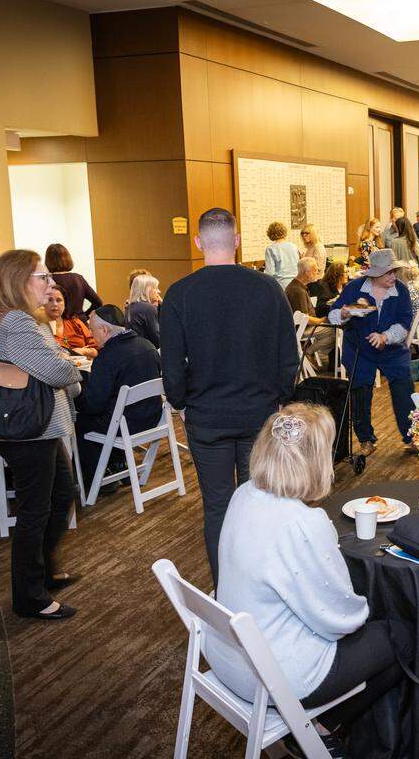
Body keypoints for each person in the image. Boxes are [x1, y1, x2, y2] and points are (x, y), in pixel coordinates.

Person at [207, 405, 411, 744]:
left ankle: (331, 728)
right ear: (315, 461)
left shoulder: (243, 493)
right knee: (403, 634)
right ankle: (321, 730)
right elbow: (341, 619)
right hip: (275, 679)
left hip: (226, 656)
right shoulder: (301, 523)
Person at [161, 208, 299, 584]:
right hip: (259, 413)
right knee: (260, 502)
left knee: (219, 506)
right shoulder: (268, 288)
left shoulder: (179, 294)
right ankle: (262, 585)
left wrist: (181, 403)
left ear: (198, 242)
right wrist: (282, 400)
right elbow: (288, 355)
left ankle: (228, 590)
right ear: (237, 241)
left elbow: (171, 367)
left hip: (206, 417)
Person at [0, 250, 82, 620]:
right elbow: (58, 373)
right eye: (43, 278)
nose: (51, 284)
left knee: (60, 494)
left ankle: (45, 572)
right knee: (36, 510)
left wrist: (58, 359)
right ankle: (30, 597)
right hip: (30, 431)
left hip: (27, 428)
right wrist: (68, 363)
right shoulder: (18, 323)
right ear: (19, 280)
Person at [329, 250, 416, 455]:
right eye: (389, 273)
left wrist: (385, 336)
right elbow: (333, 315)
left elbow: (404, 323)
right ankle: (366, 439)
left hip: (392, 350)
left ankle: (413, 436)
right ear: (374, 274)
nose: (394, 276)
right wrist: (344, 312)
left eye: (394, 271)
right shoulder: (354, 288)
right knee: (360, 391)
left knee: (404, 389)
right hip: (359, 349)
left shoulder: (401, 291)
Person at [74, 305, 162, 488]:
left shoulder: (107, 357)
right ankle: (119, 465)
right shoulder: (147, 346)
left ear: (105, 330)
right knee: (112, 413)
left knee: (78, 420)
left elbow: (93, 404)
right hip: (152, 419)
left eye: (91, 329)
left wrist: (76, 396)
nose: (91, 335)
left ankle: (99, 480)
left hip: (124, 426)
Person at [286, 257, 336, 367]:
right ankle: (307, 352)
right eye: (315, 270)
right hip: (299, 329)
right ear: (307, 272)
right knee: (335, 332)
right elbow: (304, 319)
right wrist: (321, 320)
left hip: (301, 326)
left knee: (333, 328)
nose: (317, 273)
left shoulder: (296, 286)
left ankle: (309, 353)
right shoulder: (297, 291)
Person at [46, 243, 102, 320]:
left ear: (48, 260)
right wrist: (84, 316)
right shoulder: (79, 278)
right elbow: (98, 302)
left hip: (59, 327)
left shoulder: (47, 280)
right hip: (80, 326)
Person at [45, 285, 97, 358]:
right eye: (50, 300)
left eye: (58, 300)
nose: (55, 304)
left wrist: (84, 351)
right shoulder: (38, 327)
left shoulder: (75, 322)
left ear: (65, 303)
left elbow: (97, 349)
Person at [125, 273, 161, 348]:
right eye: (156, 288)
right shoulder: (148, 308)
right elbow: (158, 338)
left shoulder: (129, 307)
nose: (159, 291)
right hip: (149, 351)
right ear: (147, 289)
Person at [264, 221, 301, 290]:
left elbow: (269, 272)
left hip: (281, 285)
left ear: (270, 233)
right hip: (296, 283)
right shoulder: (294, 246)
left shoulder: (271, 249)